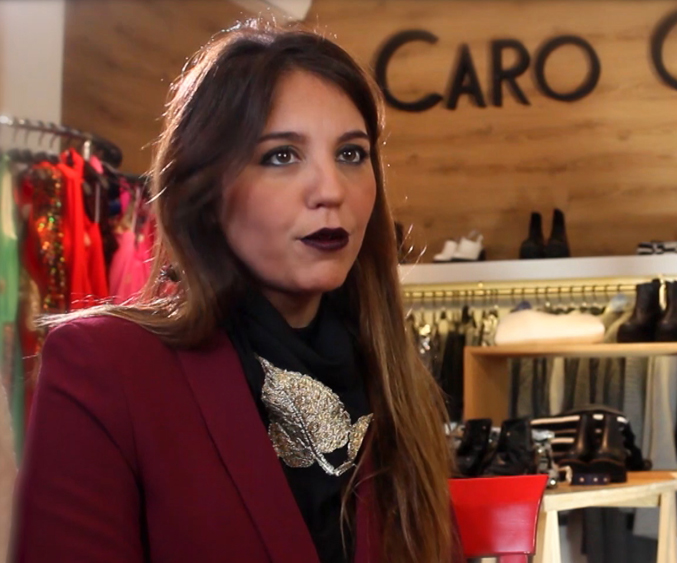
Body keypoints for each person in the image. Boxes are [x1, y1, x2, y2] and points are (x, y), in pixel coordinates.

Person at [14, 21, 458, 563]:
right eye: (281, 156)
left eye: (351, 154)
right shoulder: (107, 367)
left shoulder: (397, 384)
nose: (331, 190)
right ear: (207, 190)